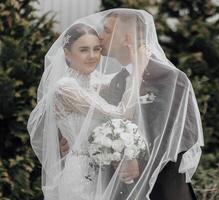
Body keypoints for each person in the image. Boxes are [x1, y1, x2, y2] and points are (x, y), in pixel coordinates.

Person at [29, 8, 204, 200]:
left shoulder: (169, 77)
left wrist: (139, 160)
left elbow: (187, 132)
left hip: (163, 190)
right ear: (67, 54)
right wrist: (71, 140)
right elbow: (104, 123)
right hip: (104, 184)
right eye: (84, 49)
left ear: (126, 38)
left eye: (107, 31)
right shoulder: (118, 81)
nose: (100, 37)